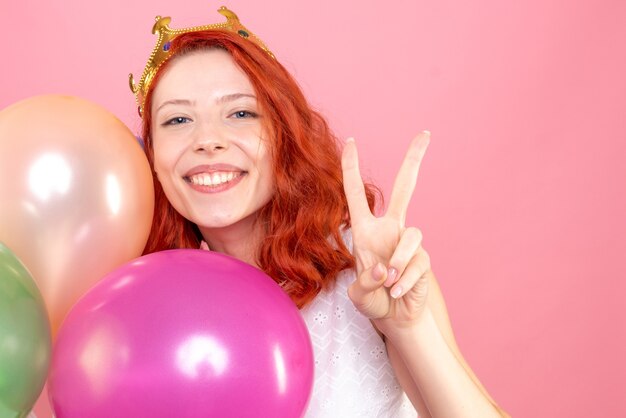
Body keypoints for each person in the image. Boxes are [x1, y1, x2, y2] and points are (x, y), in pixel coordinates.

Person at [131, 7, 509, 417]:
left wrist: (408, 328)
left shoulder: (367, 271)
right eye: (178, 119)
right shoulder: (144, 311)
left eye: (240, 113)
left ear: (283, 136)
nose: (208, 140)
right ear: (151, 156)